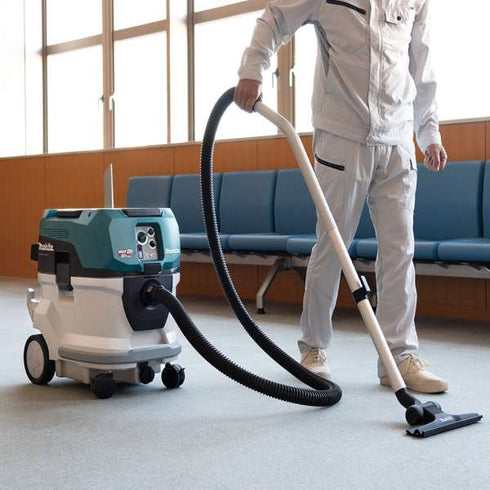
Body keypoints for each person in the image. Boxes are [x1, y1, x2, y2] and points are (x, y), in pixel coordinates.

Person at [234, 0, 448, 394]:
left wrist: (429, 132)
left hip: (397, 138)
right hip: (342, 136)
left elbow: (422, 66)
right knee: (333, 245)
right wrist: (252, 70)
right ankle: (313, 347)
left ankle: (399, 356)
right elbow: (276, 17)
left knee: (400, 252)